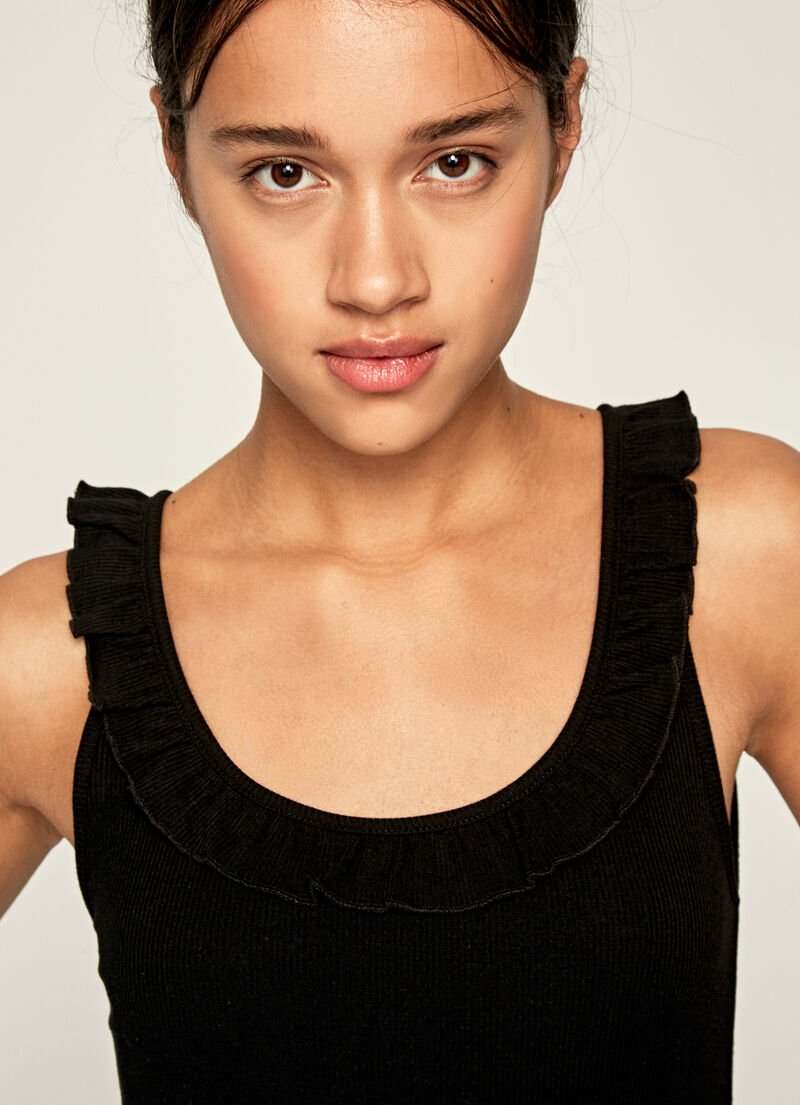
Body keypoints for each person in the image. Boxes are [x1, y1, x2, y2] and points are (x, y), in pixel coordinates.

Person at [1, 0, 798, 1101]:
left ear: (563, 125)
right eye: (285, 173)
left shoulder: (746, 551)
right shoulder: (43, 662)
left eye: (454, 162)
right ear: (178, 157)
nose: (375, 281)